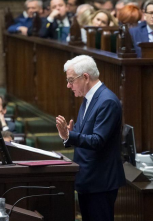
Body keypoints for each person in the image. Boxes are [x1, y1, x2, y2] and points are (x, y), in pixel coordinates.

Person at [56, 55, 125, 221]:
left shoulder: (107, 101)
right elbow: (84, 137)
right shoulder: (88, 99)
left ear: (85, 77)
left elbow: (97, 141)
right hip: (87, 180)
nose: (68, 85)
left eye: (71, 80)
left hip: (100, 183)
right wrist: (68, 136)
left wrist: (70, 135)